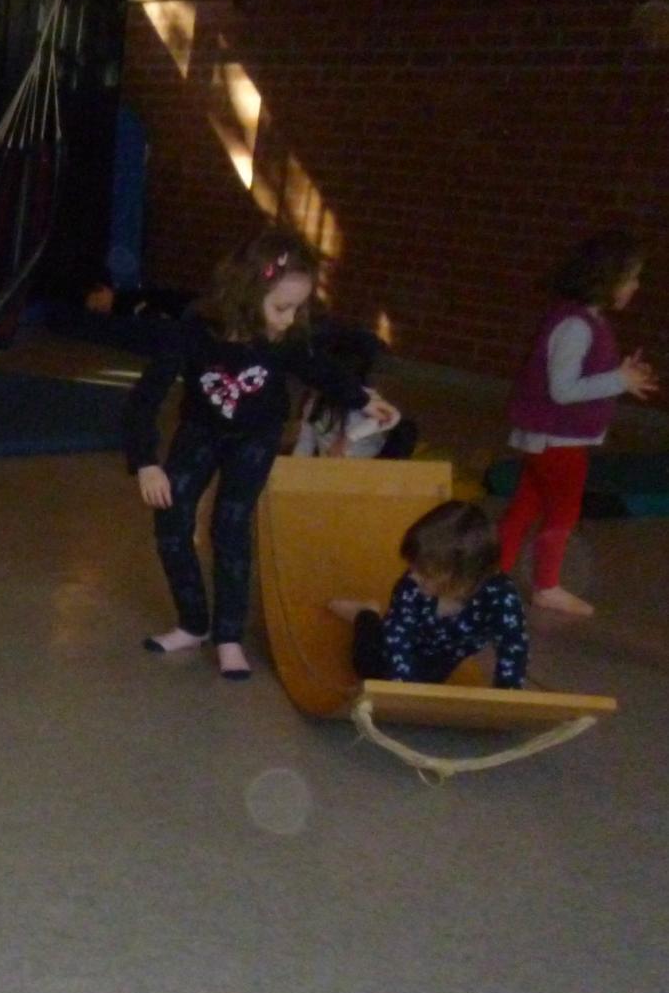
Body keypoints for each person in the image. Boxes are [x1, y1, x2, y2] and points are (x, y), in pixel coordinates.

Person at [124, 228, 399, 681]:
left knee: (230, 526)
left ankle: (228, 634)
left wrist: (362, 399)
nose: (290, 320)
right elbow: (146, 396)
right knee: (171, 522)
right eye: (281, 308)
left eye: (297, 308)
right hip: (200, 431)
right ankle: (193, 623)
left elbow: (318, 368)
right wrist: (147, 462)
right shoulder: (196, 328)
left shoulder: (286, 338)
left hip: (257, 435)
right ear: (247, 294)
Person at [497, 230, 658, 617]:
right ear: (608, 279)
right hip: (558, 442)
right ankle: (547, 585)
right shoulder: (576, 325)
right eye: (632, 277)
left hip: (552, 439)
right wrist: (618, 380)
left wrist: (620, 376)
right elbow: (563, 389)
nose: (636, 286)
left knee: (524, 506)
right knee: (562, 512)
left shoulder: (585, 320)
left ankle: (494, 575)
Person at [330, 502, 528, 689]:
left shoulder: (501, 597)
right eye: (413, 566)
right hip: (404, 640)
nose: (413, 575)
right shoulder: (411, 586)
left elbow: (513, 648)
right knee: (368, 666)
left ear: (462, 576)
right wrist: (400, 687)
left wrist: (507, 695)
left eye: (425, 573)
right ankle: (365, 613)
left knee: (428, 680)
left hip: (440, 658)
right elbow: (398, 637)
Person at [292, 324, 420, 460]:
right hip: (336, 466)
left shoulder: (363, 396)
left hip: (368, 464)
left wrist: (349, 437)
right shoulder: (316, 403)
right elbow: (305, 443)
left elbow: (393, 417)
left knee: (406, 430)